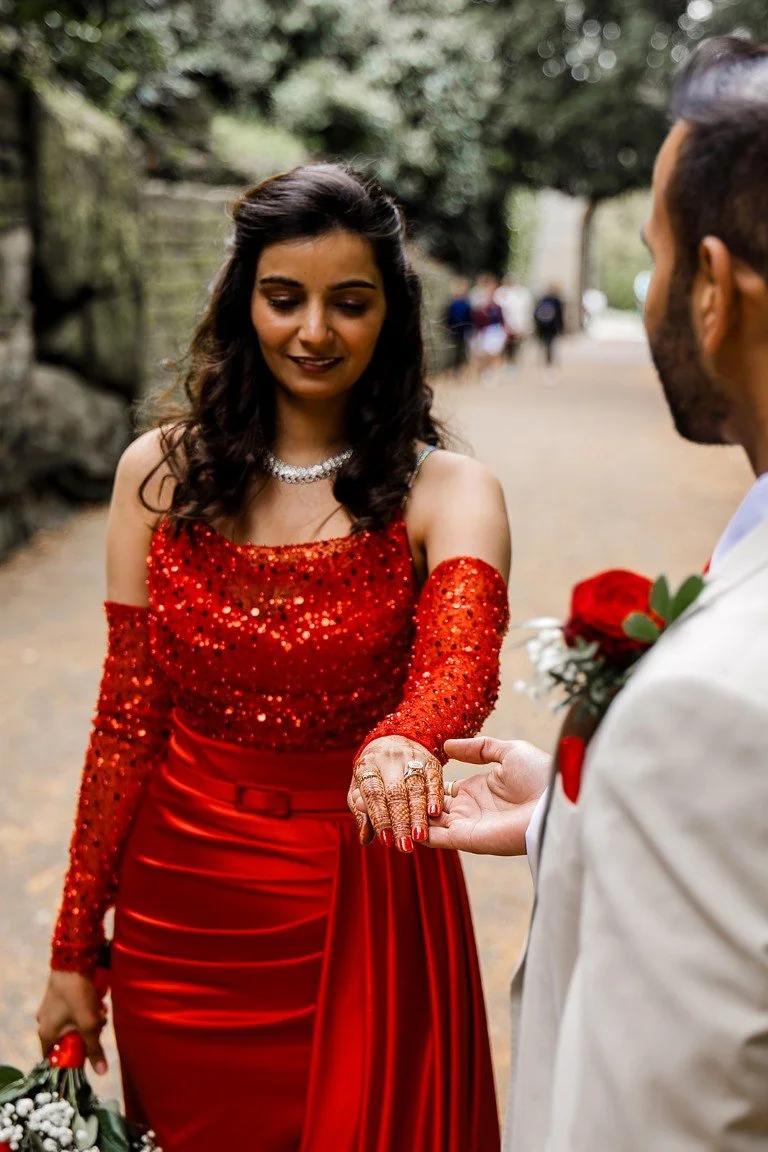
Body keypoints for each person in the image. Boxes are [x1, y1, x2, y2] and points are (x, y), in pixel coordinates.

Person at [36, 164, 511, 1151]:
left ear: (391, 314)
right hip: (182, 907)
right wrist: (75, 947)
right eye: (284, 298)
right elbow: (126, 718)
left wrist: (407, 738)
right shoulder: (157, 475)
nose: (314, 331)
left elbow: (461, 659)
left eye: (350, 303)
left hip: (361, 890)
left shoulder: (448, 488)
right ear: (242, 299)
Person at [427, 35, 768, 1150]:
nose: (654, 284)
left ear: (714, 289)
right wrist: (575, 819)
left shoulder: (710, 704)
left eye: (656, 254)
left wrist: (650, 767)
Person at [470, 274, 507, 382]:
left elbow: (502, 319)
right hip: (484, 331)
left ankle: (492, 372)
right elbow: (477, 319)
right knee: (483, 354)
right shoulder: (481, 306)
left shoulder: (498, 306)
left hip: (495, 331)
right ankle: (484, 372)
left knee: (494, 353)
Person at [494, 275, 533, 369]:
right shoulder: (500, 293)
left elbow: (523, 310)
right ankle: (505, 363)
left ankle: (512, 363)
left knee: (514, 345)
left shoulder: (520, 293)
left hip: (516, 324)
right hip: (503, 324)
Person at [444, 276, 473, 375]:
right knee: (458, 350)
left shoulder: (458, 303)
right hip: (457, 329)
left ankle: (457, 368)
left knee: (459, 349)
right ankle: (455, 368)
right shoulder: (459, 303)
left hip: (459, 330)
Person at [533, 285, 564, 367]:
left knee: (543, 344)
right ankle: (549, 361)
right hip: (552, 327)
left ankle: (541, 361)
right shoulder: (556, 301)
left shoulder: (541, 300)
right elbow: (559, 315)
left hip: (542, 326)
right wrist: (561, 327)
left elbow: (535, 314)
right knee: (551, 344)